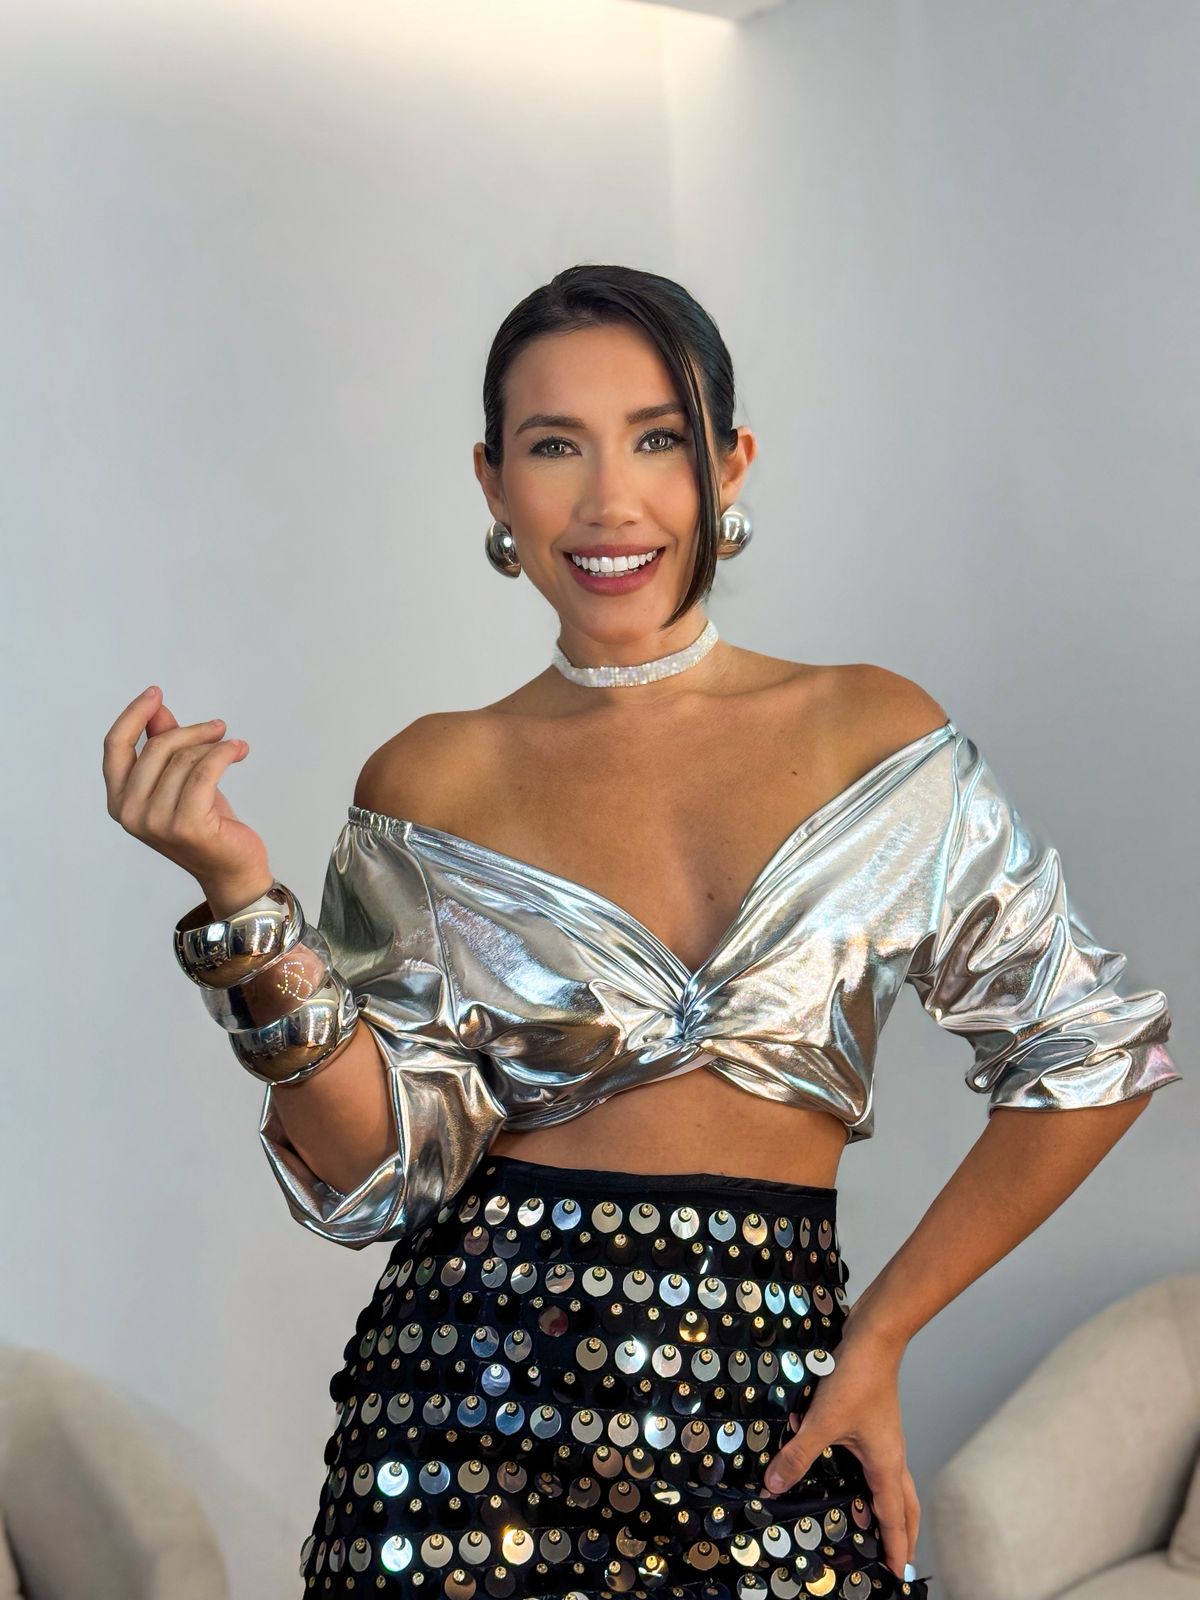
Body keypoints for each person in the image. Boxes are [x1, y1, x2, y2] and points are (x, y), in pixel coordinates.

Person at [105, 264, 1182, 1599]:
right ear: (494, 484)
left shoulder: (877, 740)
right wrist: (238, 901)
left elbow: (1091, 1051)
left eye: (657, 439)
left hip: (774, 1425)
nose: (610, 502)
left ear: (729, 464)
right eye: (556, 446)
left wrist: (883, 1333)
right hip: (459, 1439)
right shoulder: (433, 778)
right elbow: (374, 1165)